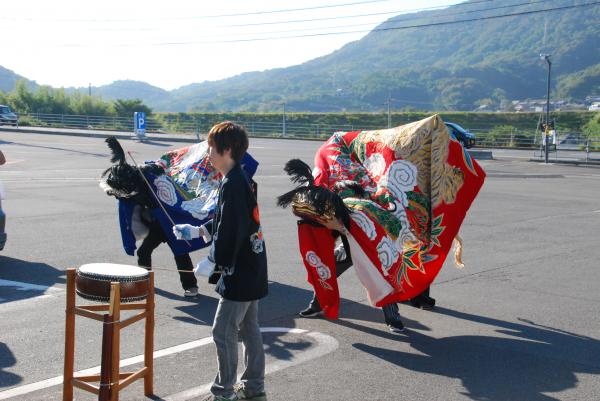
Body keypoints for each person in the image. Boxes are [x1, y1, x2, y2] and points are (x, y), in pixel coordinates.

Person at [173, 121, 268, 401]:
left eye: (212, 148)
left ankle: (223, 393)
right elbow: (229, 221)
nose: (208, 154)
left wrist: (214, 260)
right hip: (252, 266)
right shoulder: (237, 178)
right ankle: (254, 388)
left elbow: (232, 231)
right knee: (249, 329)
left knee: (222, 331)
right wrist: (200, 231)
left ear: (226, 150)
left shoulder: (234, 182)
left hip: (240, 270)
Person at [298, 218, 434, 333]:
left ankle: (393, 318)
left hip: (372, 239)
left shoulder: (367, 190)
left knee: (382, 276)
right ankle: (318, 304)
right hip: (350, 238)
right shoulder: (333, 190)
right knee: (326, 268)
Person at [136, 216, 199, 297]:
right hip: (157, 225)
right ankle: (145, 282)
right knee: (143, 251)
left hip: (172, 223)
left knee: (181, 254)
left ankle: (191, 286)